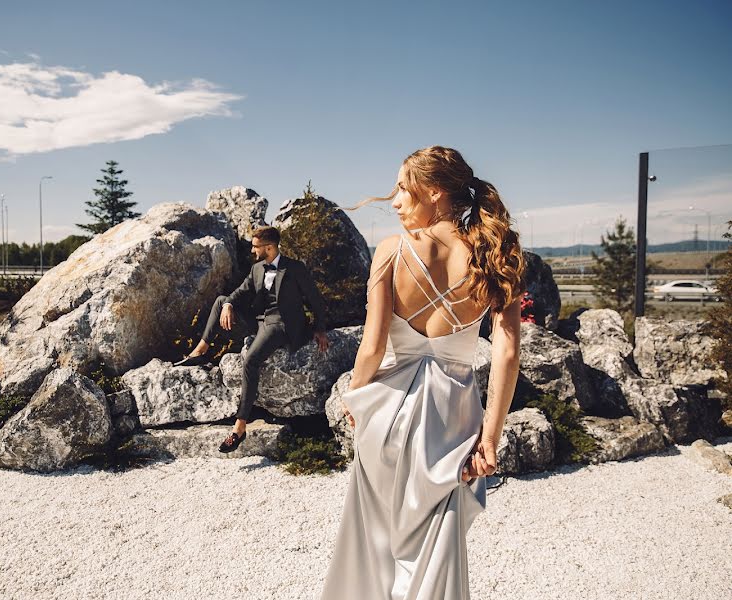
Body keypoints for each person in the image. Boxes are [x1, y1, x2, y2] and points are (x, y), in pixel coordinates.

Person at [320, 146, 524, 599]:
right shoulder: (496, 253)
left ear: (434, 192)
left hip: (389, 413)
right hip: (453, 419)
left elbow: (372, 346)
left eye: (401, 189)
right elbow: (507, 353)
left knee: (375, 542)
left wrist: (356, 398)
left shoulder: (391, 252)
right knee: (436, 549)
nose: (393, 201)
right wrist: (490, 439)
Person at [175, 225, 330, 452]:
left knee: (250, 361)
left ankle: (240, 427)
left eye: (256, 246)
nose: (252, 251)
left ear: (269, 247)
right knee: (221, 301)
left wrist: (320, 328)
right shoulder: (257, 269)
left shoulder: (295, 268)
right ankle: (200, 350)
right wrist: (229, 304)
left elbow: (316, 300)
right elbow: (240, 292)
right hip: (260, 321)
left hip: (281, 325)